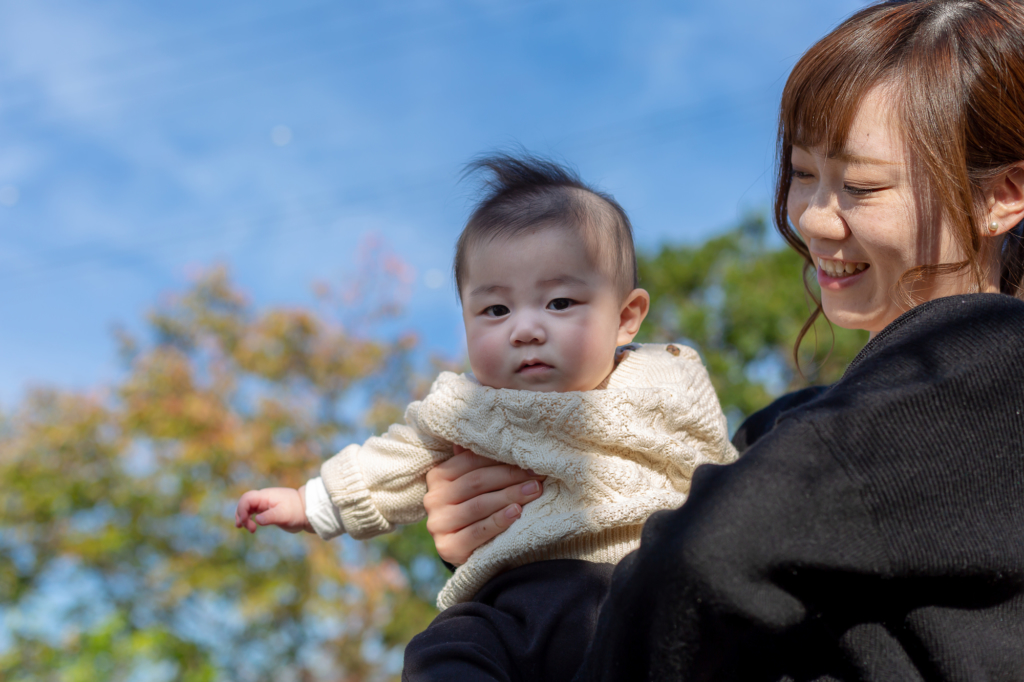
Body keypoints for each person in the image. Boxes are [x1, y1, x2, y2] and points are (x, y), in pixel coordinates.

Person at [422, 1, 1024, 679]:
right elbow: (641, 561)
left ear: (1002, 195)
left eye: (860, 185)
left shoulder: (991, 357)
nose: (814, 220)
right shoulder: (786, 427)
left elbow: (702, 558)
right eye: (802, 173)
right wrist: (511, 537)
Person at [233, 155, 738, 680]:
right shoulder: (470, 409)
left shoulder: (668, 382)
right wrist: (310, 502)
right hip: (519, 603)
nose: (525, 329)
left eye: (560, 302)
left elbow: (722, 473)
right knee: (446, 645)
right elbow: (394, 463)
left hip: (648, 587)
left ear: (626, 317)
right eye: (496, 311)